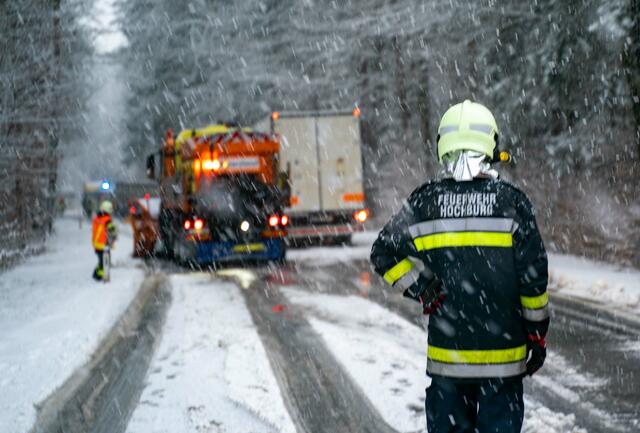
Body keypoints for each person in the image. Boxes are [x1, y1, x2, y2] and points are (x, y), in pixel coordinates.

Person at [370, 100, 549, 433]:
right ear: (491, 146)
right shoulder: (513, 203)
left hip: (448, 363)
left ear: (443, 146)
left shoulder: (424, 203)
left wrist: (422, 287)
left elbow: (383, 253)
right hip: (504, 365)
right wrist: (537, 336)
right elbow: (533, 281)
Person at [92, 200, 117, 281]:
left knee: (101, 261)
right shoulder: (107, 219)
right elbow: (111, 231)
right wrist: (114, 236)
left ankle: (97, 273)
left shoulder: (97, 218)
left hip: (96, 244)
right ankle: (99, 276)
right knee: (105, 261)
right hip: (103, 245)